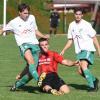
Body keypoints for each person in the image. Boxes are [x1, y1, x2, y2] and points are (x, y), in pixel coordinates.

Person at [0, 3, 49, 83]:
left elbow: (35, 30)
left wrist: (44, 36)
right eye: (25, 13)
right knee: (31, 61)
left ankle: (19, 81)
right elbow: (3, 30)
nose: (27, 15)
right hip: (24, 45)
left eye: (28, 13)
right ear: (19, 12)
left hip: (35, 44)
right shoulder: (14, 22)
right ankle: (39, 80)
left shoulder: (32, 18)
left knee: (33, 66)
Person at [11, 38, 78, 95]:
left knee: (66, 91)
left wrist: (74, 63)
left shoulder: (53, 54)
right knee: (46, 87)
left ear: (48, 45)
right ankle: (51, 90)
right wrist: (21, 75)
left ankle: (53, 90)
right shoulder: (36, 57)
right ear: (39, 47)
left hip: (54, 76)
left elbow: (65, 62)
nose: (45, 46)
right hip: (42, 77)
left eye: (46, 44)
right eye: (42, 45)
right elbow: (29, 67)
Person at [60, 8, 100, 92]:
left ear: (82, 15)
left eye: (79, 14)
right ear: (74, 15)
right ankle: (94, 80)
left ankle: (92, 87)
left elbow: (94, 38)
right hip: (79, 51)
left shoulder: (86, 24)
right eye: (76, 14)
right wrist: (64, 50)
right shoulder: (71, 25)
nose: (78, 16)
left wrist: (99, 50)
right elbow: (70, 40)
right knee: (80, 71)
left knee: (83, 65)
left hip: (88, 49)